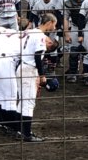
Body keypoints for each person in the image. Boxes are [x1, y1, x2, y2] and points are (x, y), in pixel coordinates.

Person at [16, 14, 59, 142]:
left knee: (22, 101)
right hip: (29, 69)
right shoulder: (40, 36)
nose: (54, 27)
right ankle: (27, 134)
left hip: (21, 67)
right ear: (50, 22)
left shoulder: (29, 31)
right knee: (28, 102)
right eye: (54, 24)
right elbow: (37, 56)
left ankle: (19, 130)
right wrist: (42, 75)